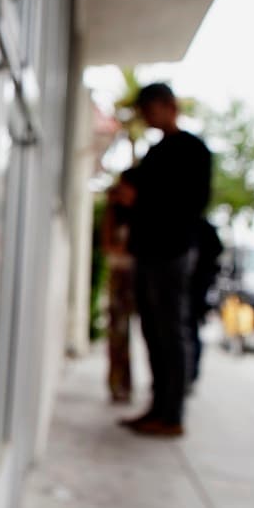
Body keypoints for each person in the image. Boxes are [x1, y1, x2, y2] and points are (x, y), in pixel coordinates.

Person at [120, 83, 211, 437]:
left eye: (150, 108)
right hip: (148, 251)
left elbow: (190, 204)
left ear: (169, 106)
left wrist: (141, 198)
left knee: (171, 330)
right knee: (154, 331)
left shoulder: (192, 150)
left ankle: (172, 413)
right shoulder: (158, 151)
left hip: (171, 252)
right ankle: (159, 406)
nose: (146, 116)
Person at [102, 169, 137, 403]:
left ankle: (126, 383)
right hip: (119, 276)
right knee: (118, 332)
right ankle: (118, 383)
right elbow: (107, 245)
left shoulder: (142, 215)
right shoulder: (114, 213)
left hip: (137, 277)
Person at [187, 218, 223, 388]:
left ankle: (191, 374)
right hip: (191, 289)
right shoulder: (197, 225)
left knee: (191, 331)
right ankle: (187, 375)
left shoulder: (201, 226)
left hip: (195, 290)